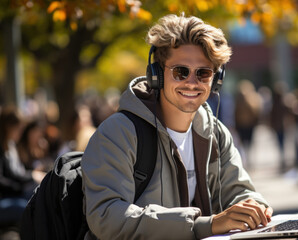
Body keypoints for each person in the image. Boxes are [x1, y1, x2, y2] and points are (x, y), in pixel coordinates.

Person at [81, 14, 273, 240]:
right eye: (180, 71)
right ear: (157, 74)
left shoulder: (216, 133)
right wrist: (204, 225)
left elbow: (240, 191)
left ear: (216, 79)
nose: (192, 82)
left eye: (203, 73)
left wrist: (256, 208)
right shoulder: (119, 133)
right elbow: (106, 217)